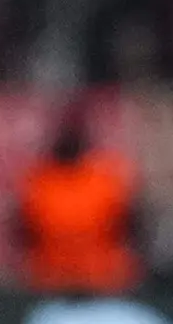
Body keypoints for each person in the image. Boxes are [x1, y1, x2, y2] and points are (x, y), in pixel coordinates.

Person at [12, 105, 143, 293]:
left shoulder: (106, 179)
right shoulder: (38, 182)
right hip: (52, 279)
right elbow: (22, 232)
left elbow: (131, 226)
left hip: (102, 279)